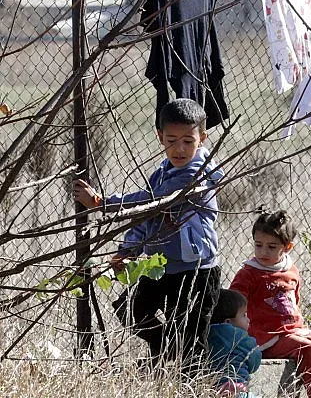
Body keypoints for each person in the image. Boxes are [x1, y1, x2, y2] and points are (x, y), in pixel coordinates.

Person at [73, 97, 223, 374]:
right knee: (129, 310)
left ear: (202, 138)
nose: (179, 149)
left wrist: (102, 203)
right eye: (171, 140)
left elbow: (151, 201)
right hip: (160, 266)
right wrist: (128, 250)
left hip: (195, 271)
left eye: (188, 141)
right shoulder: (163, 172)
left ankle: (192, 394)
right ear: (160, 137)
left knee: (191, 340)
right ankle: (166, 351)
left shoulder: (196, 175)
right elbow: (146, 217)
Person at [229, 210, 311, 398]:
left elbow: (294, 303)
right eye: (258, 245)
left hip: (294, 331)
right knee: (308, 349)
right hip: (267, 337)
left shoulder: (290, 269)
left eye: (271, 247)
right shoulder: (249, 274)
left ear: (287, 247)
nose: (263, 252)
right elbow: (234, 304)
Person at [208, 288, 270, 398]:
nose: (248, 319)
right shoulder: (240, 337)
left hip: (209, 390)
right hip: (236, 390)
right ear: (228, 322)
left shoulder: (205, 335)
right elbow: (254, 361)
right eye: (244, 315)